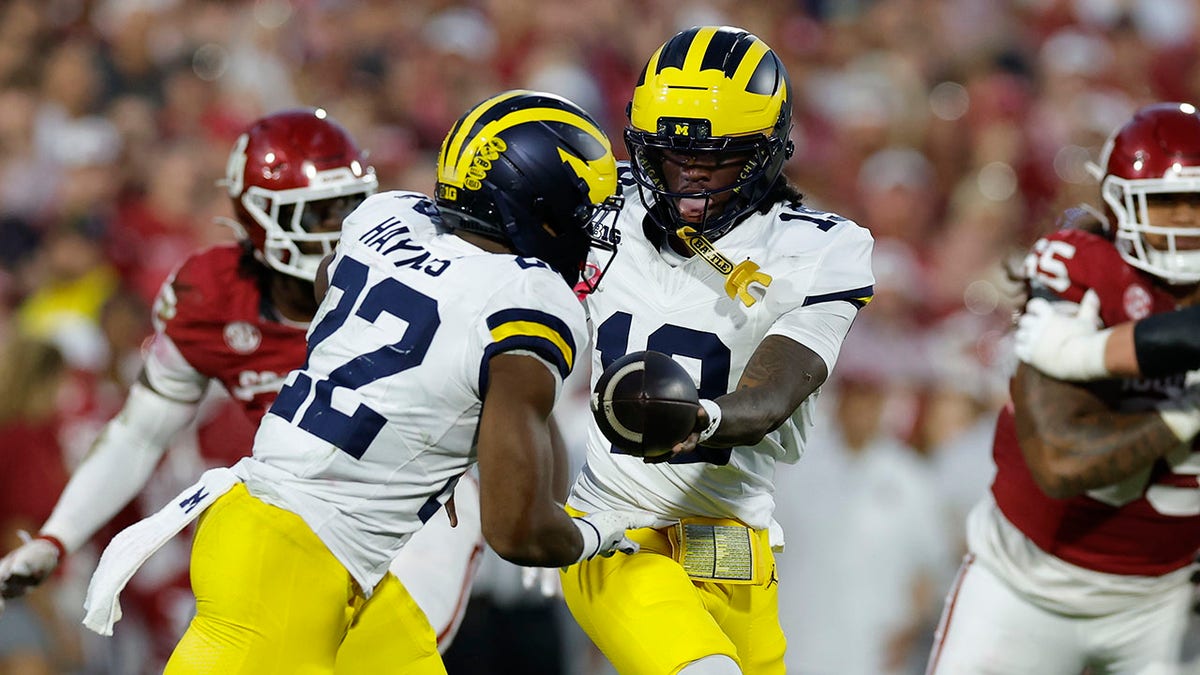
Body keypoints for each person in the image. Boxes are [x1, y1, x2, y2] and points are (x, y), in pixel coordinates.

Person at [79, 90, 656, 674]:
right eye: (585, 206)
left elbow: (331, 283)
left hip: (315, 550)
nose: (595, 225)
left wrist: (419, 420)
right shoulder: (529, 298)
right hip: (287, 560)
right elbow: (519, 530)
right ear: (537, 205)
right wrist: (601, 534)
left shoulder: (386, 216)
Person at [0, 109, 485, 669]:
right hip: (299, 513)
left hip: (413, 515)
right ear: (260, 218)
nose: (344, 226)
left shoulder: (419, 275)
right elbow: (139, 434)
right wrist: (57, 536)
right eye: (320, 211)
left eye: (352, 204)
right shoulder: (213, 297)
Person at [560, 26, 876, 675]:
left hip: (732, 545)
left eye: (717, 153)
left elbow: (771, 396)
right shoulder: (595, 204)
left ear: (769, 151)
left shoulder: (815, 248)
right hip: (614, 531)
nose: (692, 169)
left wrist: (697, 415)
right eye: (672, 152)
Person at [926, 102, 1200, 674]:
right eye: (1164, 203)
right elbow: (1060, 460)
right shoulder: (1084, 270)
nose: (1183, 223)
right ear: (1122, 206)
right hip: (1026, 589)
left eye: (1195, 202)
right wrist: (1186, 412)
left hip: (1163, 602)